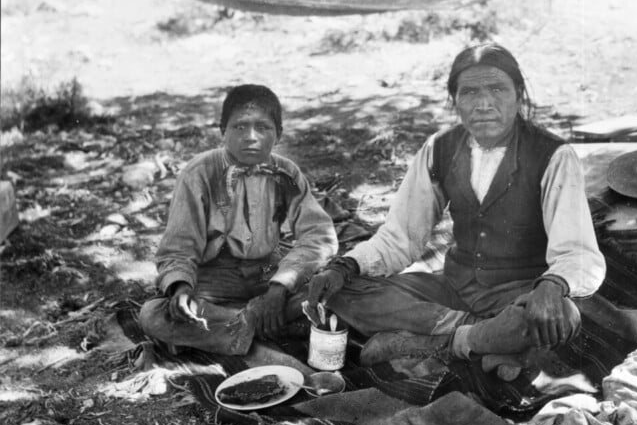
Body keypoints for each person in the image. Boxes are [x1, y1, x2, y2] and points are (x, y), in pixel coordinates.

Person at [306, 43, 606, 380]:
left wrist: (552, 286)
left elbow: (579, 252)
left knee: (563, 315)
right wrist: (345, 266)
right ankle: (483, 339)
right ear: (455, 101)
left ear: (519, 95)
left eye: (497, 89)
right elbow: (401, 238)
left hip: (518, 295)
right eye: (470, 92)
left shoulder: (553, 156)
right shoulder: (440, 148)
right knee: (344, 289)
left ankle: (439, 342)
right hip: (453, 289)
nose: (484, 104)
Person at [139, 84, 337, 359]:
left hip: (268, 273)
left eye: (263, 128)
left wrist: (280, 286)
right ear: (223, 131)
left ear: (278, 134)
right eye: (240, 127)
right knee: (153, 314)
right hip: (213, 282)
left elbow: (318, 235)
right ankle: (260, 322)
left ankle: (228, 328)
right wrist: (181, 288)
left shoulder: (286, 173)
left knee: (332, 288)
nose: (251, 137)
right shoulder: (199, 173)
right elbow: (178, 247)